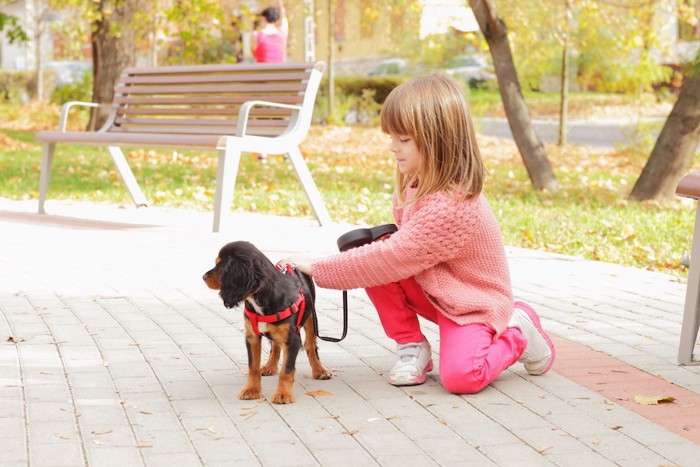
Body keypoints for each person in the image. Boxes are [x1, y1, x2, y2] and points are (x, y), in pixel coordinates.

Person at [280, 73, 555, 394]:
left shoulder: (452, 202)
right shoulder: (416, 181)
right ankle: (412, 347)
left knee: (462, 377)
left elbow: (395, 258)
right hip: (439, 290)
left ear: (438, 139)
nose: (393, 147)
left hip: (473, 304)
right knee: (375, 249)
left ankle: (517, 330)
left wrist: (318, 266)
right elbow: (393, 254)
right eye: (391, 137)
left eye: (404, 139)